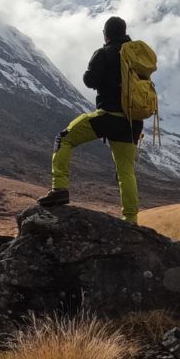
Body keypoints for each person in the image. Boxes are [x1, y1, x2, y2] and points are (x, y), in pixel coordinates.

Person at [39, 16, 146, 224]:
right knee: (126, 170)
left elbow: (90, 80)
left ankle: (59, 189)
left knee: (64, 139)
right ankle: (131, 219)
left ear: (106, 34)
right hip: (132, 121)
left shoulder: (104, 53)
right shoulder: (136, 57)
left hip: (108, 116)